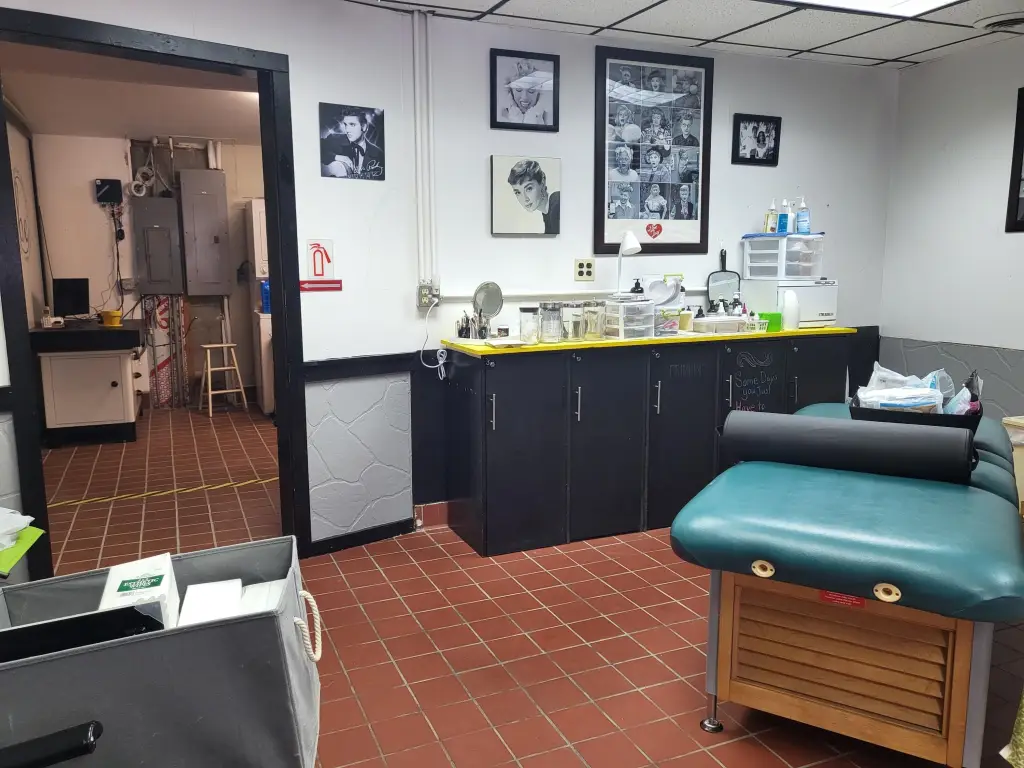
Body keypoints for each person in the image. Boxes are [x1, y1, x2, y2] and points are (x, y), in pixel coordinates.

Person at [321, 109, 384, 179]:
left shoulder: (378, 153)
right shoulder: (335, 139)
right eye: (345, 125)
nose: (347, 130)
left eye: (352, 125)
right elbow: (317, 148)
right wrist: (337, 157)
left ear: (364, 127)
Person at [507, 159, 559, 235]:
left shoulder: (556, 205)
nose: (525, 199)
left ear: (542, 182)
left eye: (529, 188)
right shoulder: (546, 212)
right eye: (518, 192)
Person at [500, 59, 551, 125]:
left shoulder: (547, 117)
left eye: (531, 90)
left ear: (539, 91)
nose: (525, 97)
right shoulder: (502, 115)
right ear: (510, 90)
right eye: (518, 89)